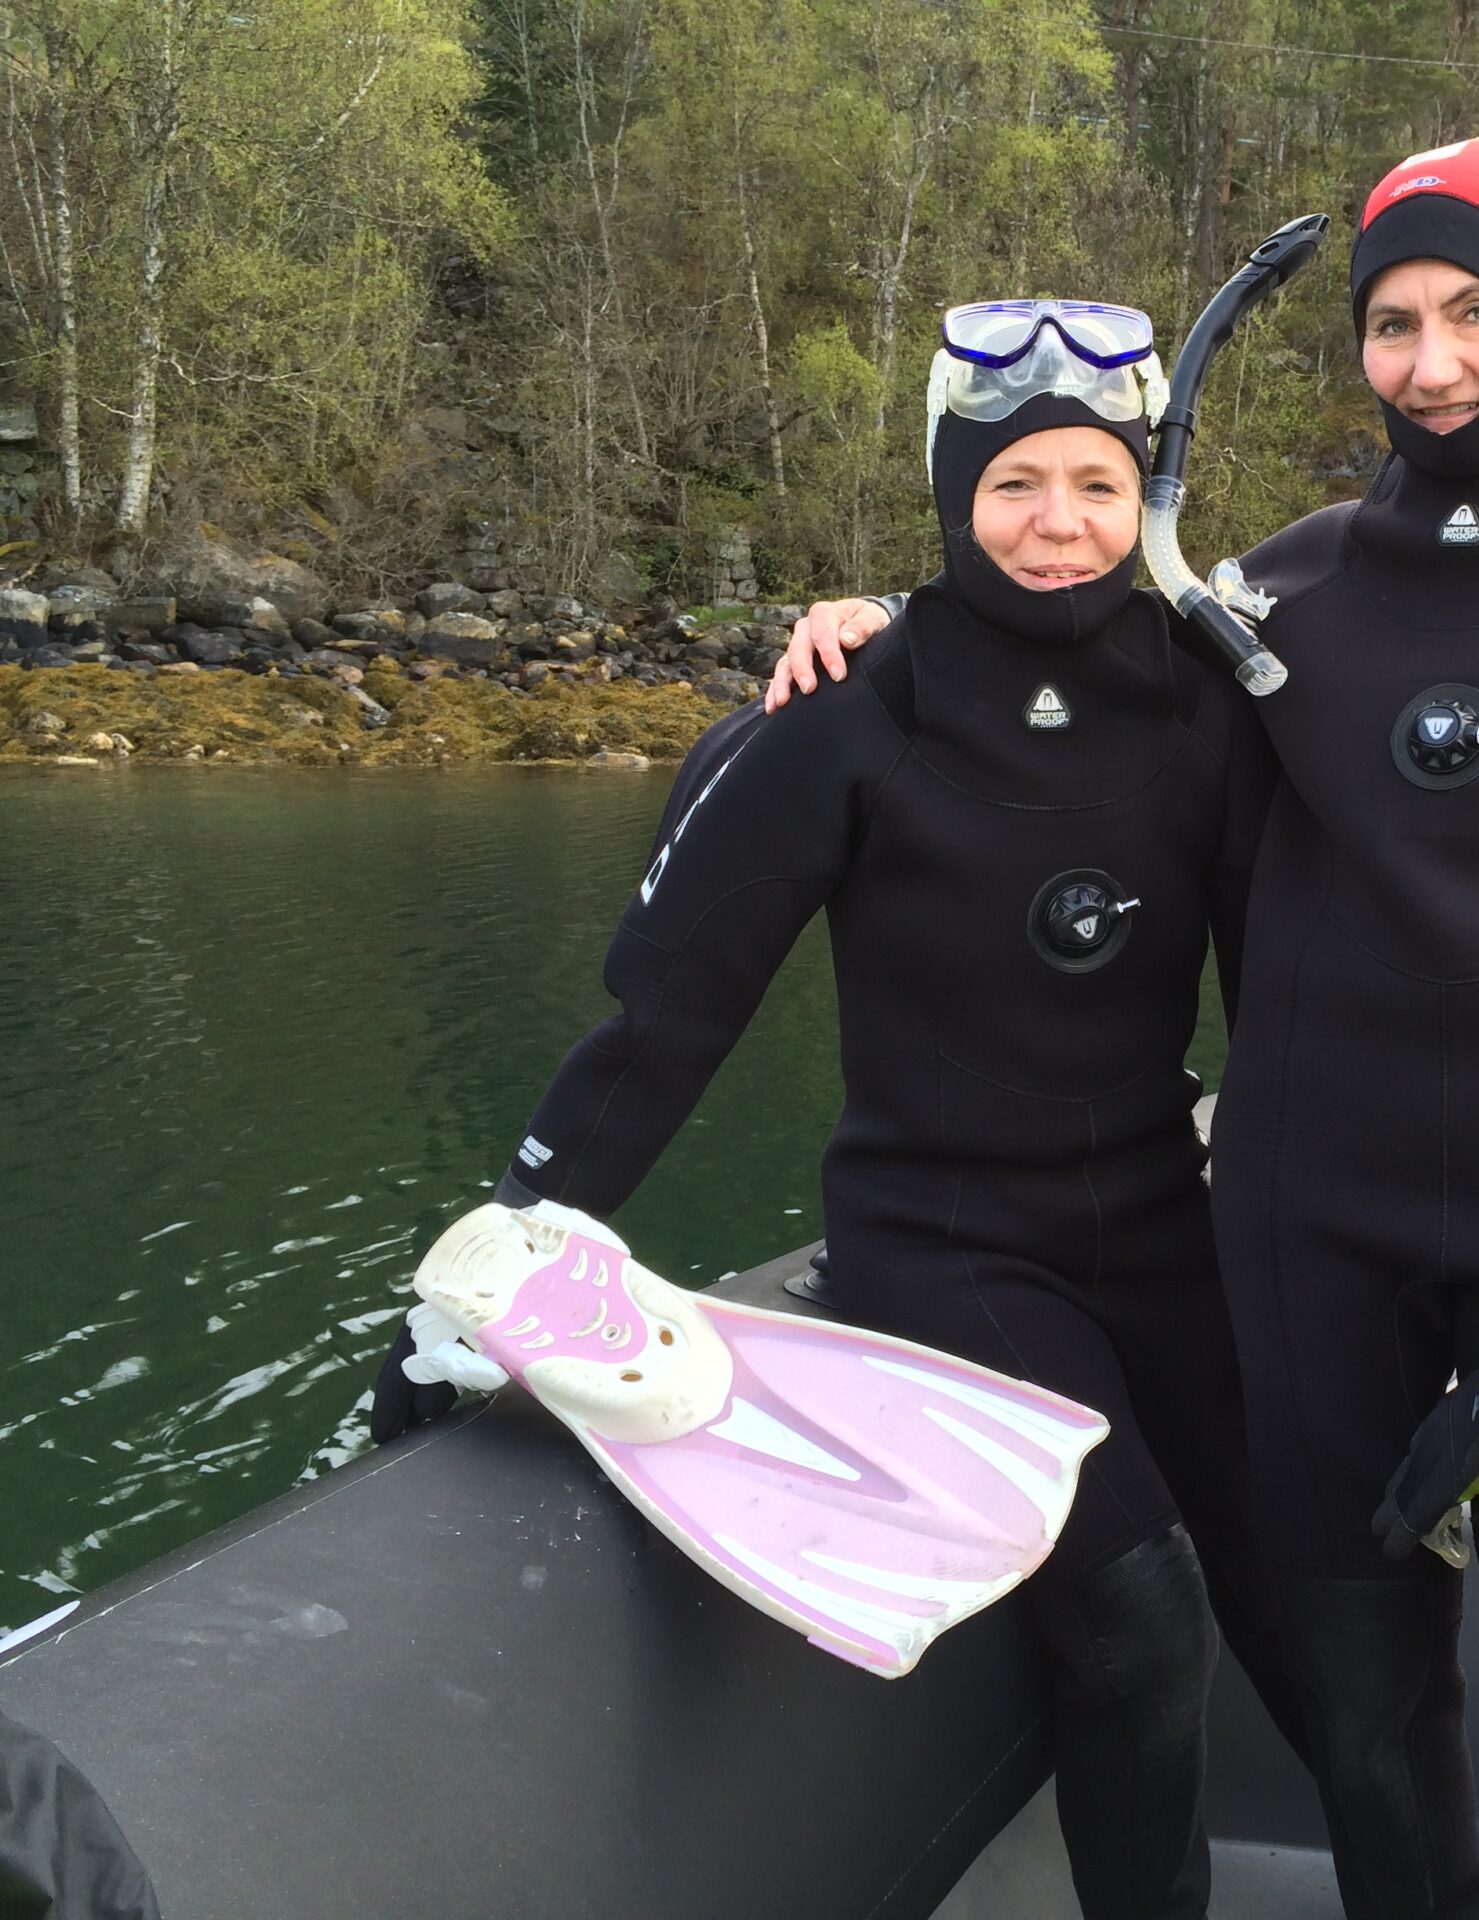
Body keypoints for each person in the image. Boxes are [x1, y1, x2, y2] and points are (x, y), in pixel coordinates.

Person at [768, 138, 1479, 1920]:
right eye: (1391, 323)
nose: (1431, 362)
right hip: (1310, 1253)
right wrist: (861, 630)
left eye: (1471, 313)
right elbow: (1046, 651)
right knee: (1367, 1730)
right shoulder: (1286, 594)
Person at [390, 298, 1290, 1920]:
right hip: (946, 1247)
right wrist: (514, 1233)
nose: (1058, 525)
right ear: (953, 493)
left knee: (1314, 1591)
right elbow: (665, 1018)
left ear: (1143, 493)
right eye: (1015, 486)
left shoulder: (1208, 704)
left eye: (1097, 483)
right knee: (1144, 1606)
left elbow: (1307, 984)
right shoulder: (846, 717)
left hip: (1166, 1229)